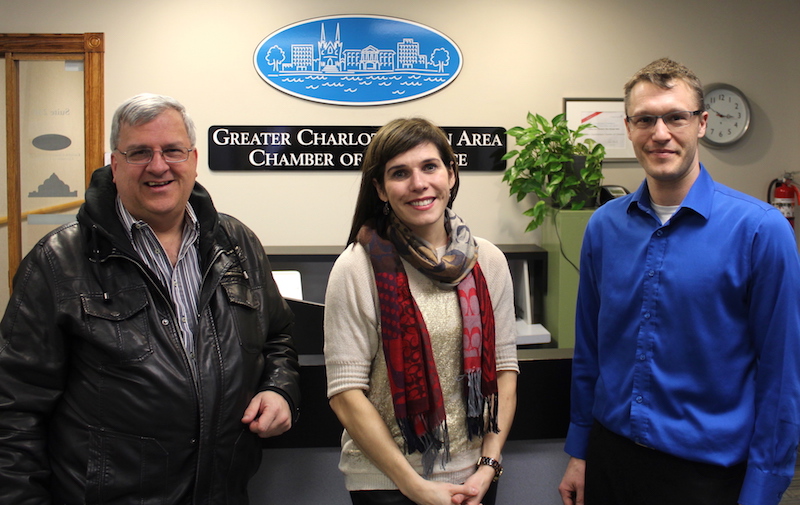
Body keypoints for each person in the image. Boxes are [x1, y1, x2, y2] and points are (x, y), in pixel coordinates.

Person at [0, 93, 301, 504]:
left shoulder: (237, 244)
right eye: (139, 152)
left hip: (221, 492)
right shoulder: (58, 262)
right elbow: (15, 407)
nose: (158, 166)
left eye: (172, 151)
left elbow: (278, 337)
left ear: (194, 159)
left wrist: (279, 388)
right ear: (115, 163)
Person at [558, 57, 800, 505]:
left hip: (707, 475)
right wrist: (580, 450)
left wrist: (764, 487)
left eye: (676, 117)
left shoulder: (761, 231)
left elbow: (781, 376)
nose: (661, 133)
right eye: (646, 119)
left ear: (702, 123)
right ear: (629, 127)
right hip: (612, 460)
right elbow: (592, 349)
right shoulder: (604, 227)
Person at [323, 118, 519, 505]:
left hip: (474, 480)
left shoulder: (489, 262)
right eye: (399, 173)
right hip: (386, 484)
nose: (418, 183)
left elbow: (504, 370)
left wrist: (488, 465)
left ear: (451, 173)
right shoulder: (357, 267)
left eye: (429, 167)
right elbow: (345, 394)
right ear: (379, 188)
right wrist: (415, 486)